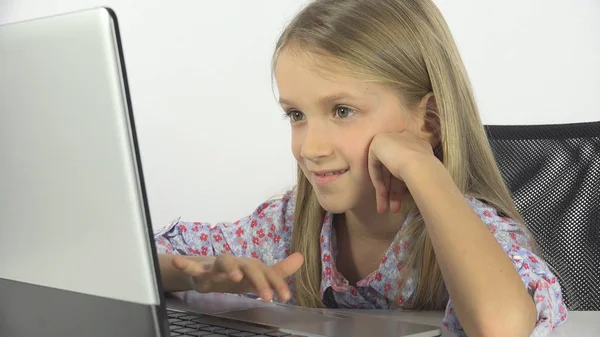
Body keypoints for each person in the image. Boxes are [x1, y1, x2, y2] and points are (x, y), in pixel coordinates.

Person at [154, 0, 567, 336]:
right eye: (296, 115)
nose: (310, 148)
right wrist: (195, 276)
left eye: (342, 110)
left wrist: (424, 169)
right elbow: (144, 259)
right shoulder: (286, 227)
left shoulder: (475, 232)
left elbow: (502, 328)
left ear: (429, 121)